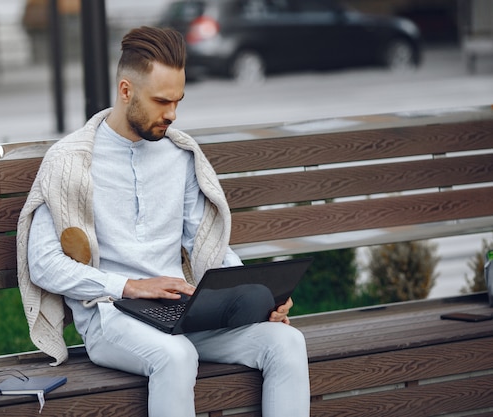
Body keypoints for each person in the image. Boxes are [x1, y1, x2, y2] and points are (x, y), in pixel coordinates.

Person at [17, 26, 310, 417]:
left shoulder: (180, 155)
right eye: (161, 101)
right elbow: (43, 264)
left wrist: (258, 294)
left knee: (287, 342)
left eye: (178, 101)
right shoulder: (68, 162)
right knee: (175, 355)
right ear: (126, 91)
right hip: (112, 316)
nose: (171, 114)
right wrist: (131, 287)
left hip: (182, 312)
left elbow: (207, 245)